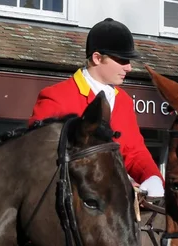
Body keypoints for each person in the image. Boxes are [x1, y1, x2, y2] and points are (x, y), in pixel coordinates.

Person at [29, 18, 164, 197]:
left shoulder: (123, 100)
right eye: (122, 60)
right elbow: (38, 159)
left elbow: (134, 151)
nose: (129, 68)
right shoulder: (56, 97)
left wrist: (153, 177)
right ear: (97, 58)